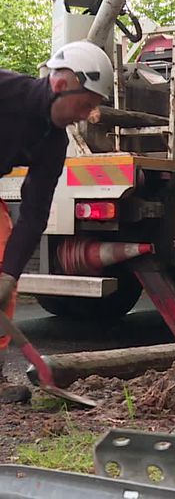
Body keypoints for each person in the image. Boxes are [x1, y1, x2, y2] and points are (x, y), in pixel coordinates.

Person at [0, 40, 114, 403]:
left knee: (5, 257)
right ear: (61, 84)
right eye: (86, 104)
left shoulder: (54, 142)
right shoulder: (6, 92)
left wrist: (9, 274)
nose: (86, 115)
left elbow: (34, 213)